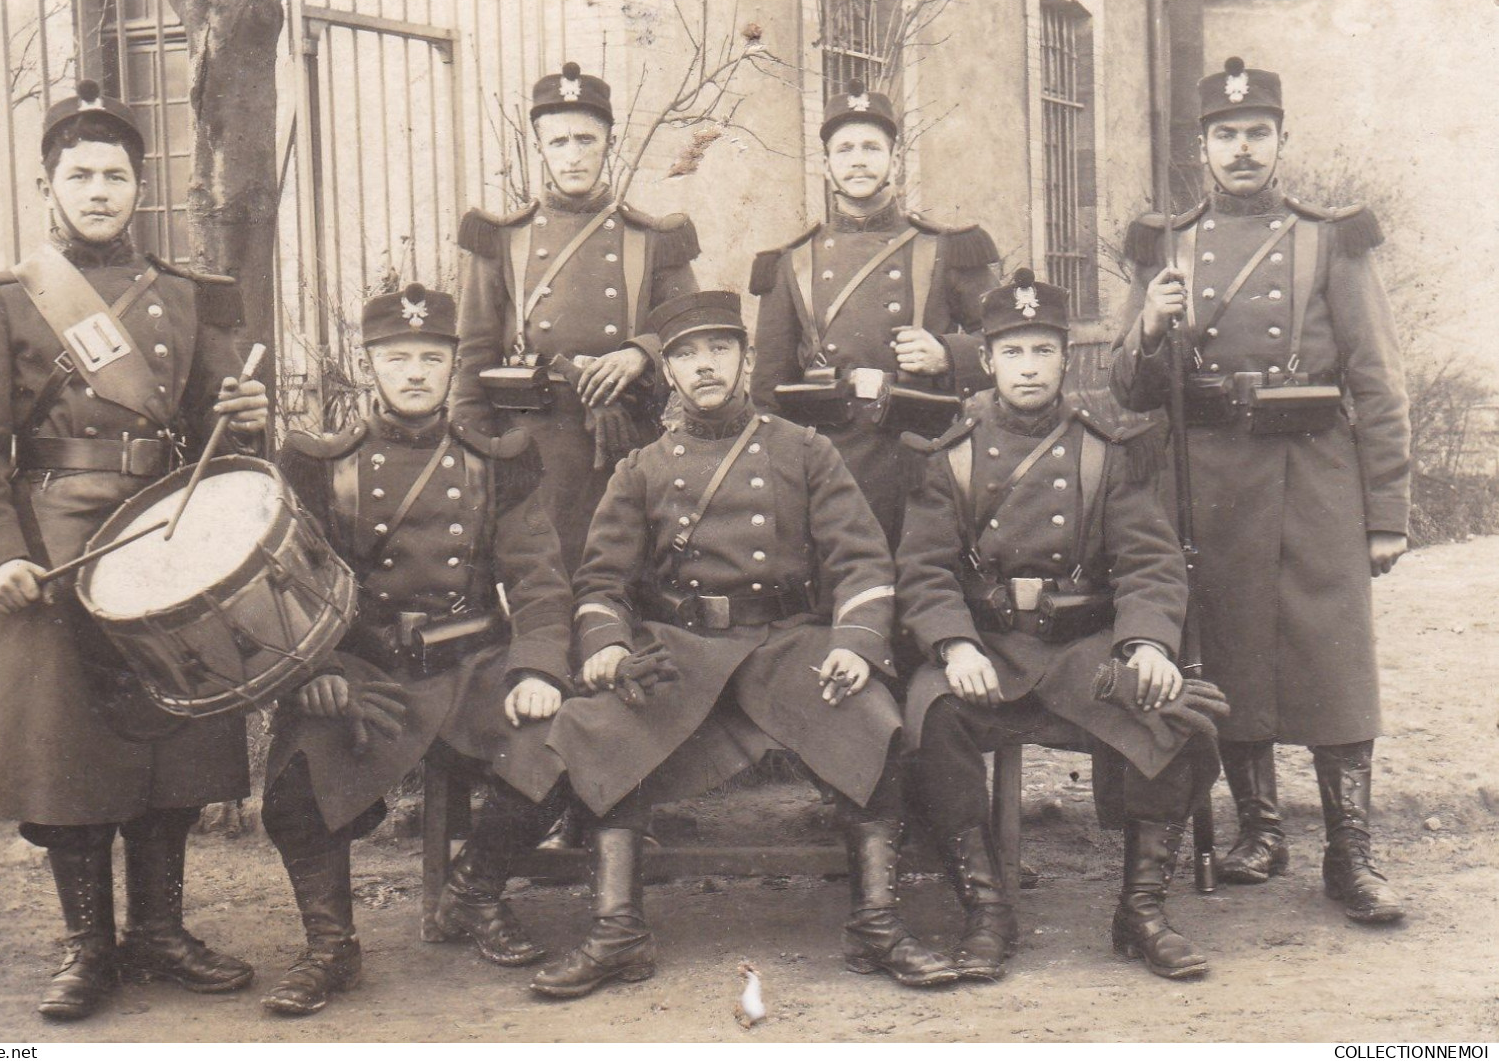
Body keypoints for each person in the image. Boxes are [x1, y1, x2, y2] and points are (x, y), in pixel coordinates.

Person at [0, 79, 267, 1020]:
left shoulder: (193, 297)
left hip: (168, 537)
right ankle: (88, 948)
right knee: (66, 751)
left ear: (139, 187)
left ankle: (160, 932)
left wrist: (244, 421)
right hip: (55, 549)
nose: (100, 191)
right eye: (79, 175)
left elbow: (217, 437)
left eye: (116, 175)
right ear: (49, 189)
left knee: (176, 737)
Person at [531, 290, 962, 1000]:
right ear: (667, 371)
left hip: (784, 642)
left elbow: (860, 560)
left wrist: (855, 643)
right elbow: (601, 581)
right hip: (680, 644)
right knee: (605, 720)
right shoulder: (640, 467)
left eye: (719, 350)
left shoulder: (804, 450)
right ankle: (617, 932)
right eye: (687, 355)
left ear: (742, 358)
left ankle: (876, 926)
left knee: (869, 718)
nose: (705, 366)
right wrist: (606, 643)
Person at [1115, 57, 1410, 922]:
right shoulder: (1163, 245)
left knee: (1333, 657)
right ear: (1200, 146)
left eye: (1255, 134)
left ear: (1281, 141)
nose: (1239, 150)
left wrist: (1384, 513)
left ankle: (1349, 855)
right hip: (1208, 477)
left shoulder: (1327, 237)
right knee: (1230, 649)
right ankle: (1260, 828)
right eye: (1223, 135)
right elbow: (1128, 390)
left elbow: (1378, 380)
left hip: (1315, 470)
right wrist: (1149, 325)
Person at [898, 268, 1225, 981]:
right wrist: (951, 643)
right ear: (986, 361)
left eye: (1041, 351)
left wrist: (1145, 642)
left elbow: (1149, 563)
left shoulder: (1103, 451)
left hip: (1082, 647)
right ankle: (985, 912)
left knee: (1166, 707)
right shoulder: (949, 454)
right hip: (987, 647)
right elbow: (922, 570)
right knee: (932, 717)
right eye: (1011, 352)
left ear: (1064, 359)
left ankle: (1140, 913)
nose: (1026, 368)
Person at [259, 284, 573, 1015]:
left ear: (453, 366)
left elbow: (538, 581)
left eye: (430, 358)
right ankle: (331, 950)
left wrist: (536, 667)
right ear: (368, 364)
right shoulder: (313, 462)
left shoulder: (499, 462)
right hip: (365, 669)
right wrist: (316, 668)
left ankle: (473, 892)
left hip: (472, 666)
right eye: (396, 357)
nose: (413, 373)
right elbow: (290, 587)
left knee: (566, 741)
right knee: (296, 789)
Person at [453, 60, 700, 575]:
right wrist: (472, 457)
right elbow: (473, 356)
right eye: (559, 141)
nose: (573, 155)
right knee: (540, 581)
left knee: (621, 575)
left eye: (586, 140)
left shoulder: (650, 237)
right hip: (530, 445)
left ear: (608, 144)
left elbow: (692, 329)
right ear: (539, 148)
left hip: (625, 437)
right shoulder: (503, 238)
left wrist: (641, 352)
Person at [749, 77, 1000, 549]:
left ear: (896, 161)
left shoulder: (945, 248)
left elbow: (1009, 342)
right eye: (844, 150)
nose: (858, 159)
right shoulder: (792, 262)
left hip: (921, 455)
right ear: (826, 166)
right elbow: (766, 388)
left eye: (871, 147)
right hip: (828, 459)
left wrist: (948, 354)